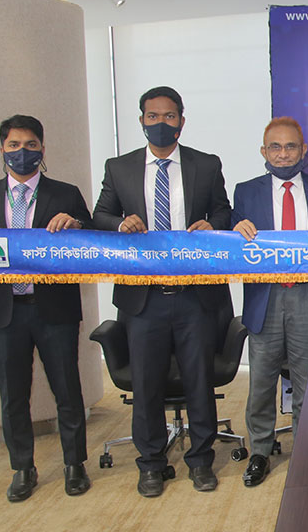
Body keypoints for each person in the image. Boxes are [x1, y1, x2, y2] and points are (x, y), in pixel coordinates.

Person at [93, 86, 232, 496]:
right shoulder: (119, 167)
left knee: (199, 382)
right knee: (146, 385)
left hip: (195, 295)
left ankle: (201, 461)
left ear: (181, 121)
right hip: (143, 298)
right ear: (141, 121)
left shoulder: (206, 164)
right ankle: (151, 463)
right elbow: (100, 214)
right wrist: (120, 224)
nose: (161, 123)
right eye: (152, 116)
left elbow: (223, 210)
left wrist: (213, 225)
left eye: (169, 116)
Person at [0, 115, 92, 501]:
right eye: (14, 145)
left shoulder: (66, 193)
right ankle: (22, 467)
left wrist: (75, 224)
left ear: (42, 148)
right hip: (5, 312)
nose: (22, 152)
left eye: (30, 145)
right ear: (2, 149)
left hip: (55, 309)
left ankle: (75, 464)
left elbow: (93, 238)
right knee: (13, 396)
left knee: (67, 390)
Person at [231, 117, 308, 487]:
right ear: (264, 151)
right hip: (264, 296)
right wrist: (234, 229)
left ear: (303, 150)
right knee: (261, 383)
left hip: (307, 296)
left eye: (290, 146)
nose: (283, 154)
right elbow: (231, 238)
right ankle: (260, 452)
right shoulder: (245, 192)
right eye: (275, 147)